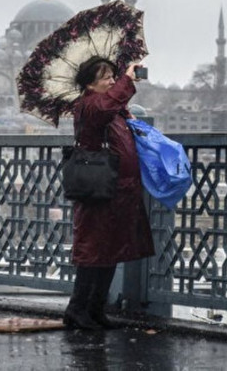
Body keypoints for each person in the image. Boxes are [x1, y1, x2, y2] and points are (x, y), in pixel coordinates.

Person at [63, 57, 155, 330]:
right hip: (98, 189)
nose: (113, 81)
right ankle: (76, 310)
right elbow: (104, 108)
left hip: (118, 190)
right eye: (107, 77)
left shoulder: (112, 108)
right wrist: (127, 81)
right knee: (93, 250)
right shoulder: (89, 104)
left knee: (110, 250)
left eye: (114, 76)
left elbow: (114, 112)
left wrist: (128, 114)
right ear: (90, 83)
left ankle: (95, 309)